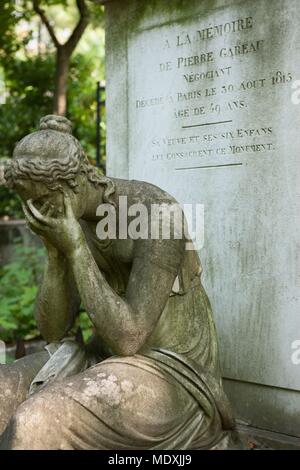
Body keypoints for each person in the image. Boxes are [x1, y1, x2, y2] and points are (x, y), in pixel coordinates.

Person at [0, 115, 234, 450]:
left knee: (37, 421)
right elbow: (53, 332)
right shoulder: (68, 219)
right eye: (29, 204)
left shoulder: (156, 213)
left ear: (75, 182)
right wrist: (56, 256)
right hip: (101, 359)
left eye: (42, 201)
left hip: (169, 374)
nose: (38, 213)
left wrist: (77, 249)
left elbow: (129, 339)